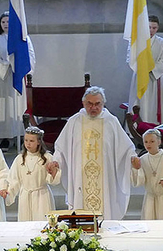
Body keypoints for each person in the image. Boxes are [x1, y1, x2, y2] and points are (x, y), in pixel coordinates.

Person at [49, 86, 140, 220]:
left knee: (104, 204)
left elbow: (126, 147)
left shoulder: (111, 121)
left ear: (103, 104)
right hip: (81, 175)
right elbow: (61, 147)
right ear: (83, 103)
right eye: (89, 104)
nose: (93, 107)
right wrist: (56, 161)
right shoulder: (74, 121)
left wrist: (132, 158)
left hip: (104, 176)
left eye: (97, 104)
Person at [0, 11, 35, 145]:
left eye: (8, 21)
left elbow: (30, 55)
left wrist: (20, 66)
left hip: (18, 76)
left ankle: (21, 134)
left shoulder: (23, 38)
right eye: (3, 22)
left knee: (19, 104)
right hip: (3, 78)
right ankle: (5, 136)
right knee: (4, 105)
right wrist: (6, 64)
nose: (6, 24)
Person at [5, 126, 61, 221]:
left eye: (31, 141)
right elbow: (14, 179)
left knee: (42, 222)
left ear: (38, 142)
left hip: (42, 196)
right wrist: (8, 192)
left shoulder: (47, 157)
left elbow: (53, 181)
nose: (28, 143)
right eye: (26, 140)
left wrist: (53, 171)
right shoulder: (20, 158)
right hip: (25, 196)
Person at [128, 15, 163, 124]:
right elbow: (130, 57)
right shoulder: (136, 41)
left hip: (155, 78)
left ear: (158, 28)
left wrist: (150, 69)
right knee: (139, 103)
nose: (151, 30)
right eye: (149, 27)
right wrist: (142, 68)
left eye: (154, 28)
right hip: (140, 77)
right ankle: (137, 127)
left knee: (154, 105)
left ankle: (155, 127)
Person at [131, 129, 163, 220]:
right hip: (150, 198)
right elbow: (139, 181)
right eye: (146, 142)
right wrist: (136, 169)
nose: (148, 144)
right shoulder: (143, 159)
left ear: (159, 142)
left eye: (152, 141)